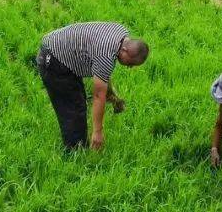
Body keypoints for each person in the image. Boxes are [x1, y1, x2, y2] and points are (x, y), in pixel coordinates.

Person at [36, 22, 149, 150]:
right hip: (53, 61)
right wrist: (97, 132)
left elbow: (102, 72)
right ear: (124, 50)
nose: (130, 67)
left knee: (78, 101)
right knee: (72, 110)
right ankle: (75, 154)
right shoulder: (106, 55)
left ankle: (77, 146)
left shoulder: (121, 32)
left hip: (59, 49)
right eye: (131, 63)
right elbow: (98, 95)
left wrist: (110, 93)